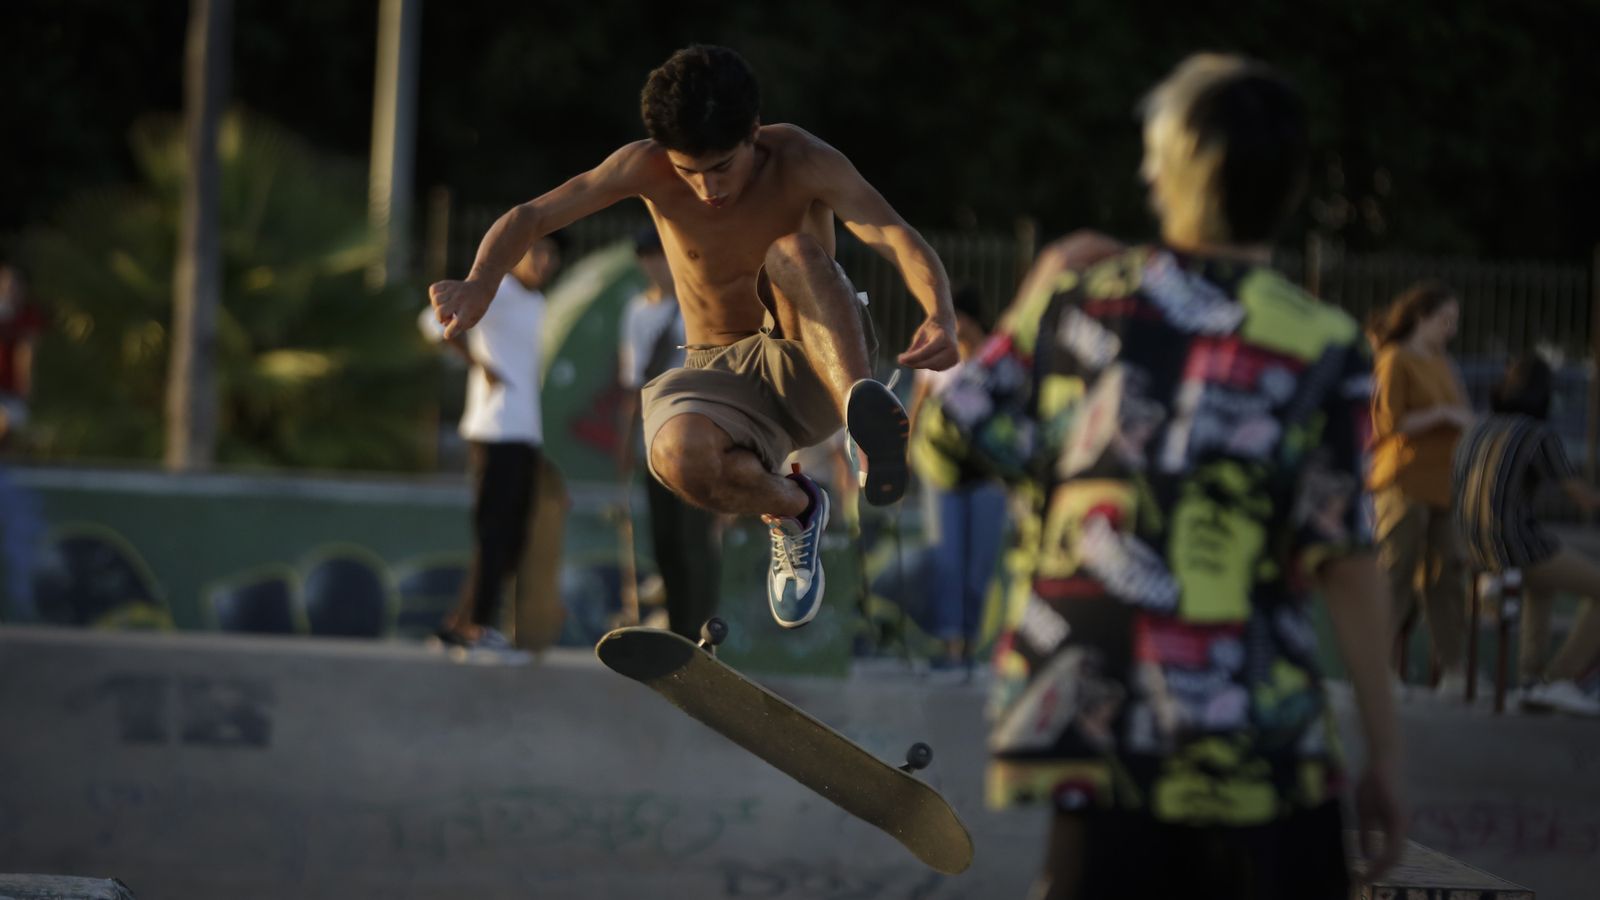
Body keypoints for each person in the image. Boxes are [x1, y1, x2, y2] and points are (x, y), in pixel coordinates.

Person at [925, 54, 1404, 898]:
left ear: (1167, 173)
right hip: (1257, 740)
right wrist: (1386, 760)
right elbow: (1349, 562)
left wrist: (1038, 289)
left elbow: (943, 444)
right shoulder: (1320, 341)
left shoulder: (1080, 303)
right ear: (1288, 187)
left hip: (1102, 738)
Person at [429, 45, 958, 629]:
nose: (706, 189)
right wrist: (480, 282)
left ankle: (864, 424)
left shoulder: (804, 159)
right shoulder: (643, 166)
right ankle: (797, 509)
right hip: (716, 371)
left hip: (809, 356)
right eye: (689, 172)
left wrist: (940, 311)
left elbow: (895, 235)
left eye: (722, 167)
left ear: (754, 132)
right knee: (679, 458)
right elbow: (532, 216)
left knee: (791, 253)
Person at [422, 232, 565, 652]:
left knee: (510, 536)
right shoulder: (496, 292)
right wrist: (479, 364)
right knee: (494, 533)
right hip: (494, 429)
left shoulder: (537, 303)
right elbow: (432, 322)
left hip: (526, 433)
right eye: (537, 252)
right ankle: (474, 626)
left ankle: (461, 623)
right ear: (518, 256)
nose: (544, 262)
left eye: (551, 255)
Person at [1454, 355, 1600, 715]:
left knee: (1545, 579)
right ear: (1546, 394)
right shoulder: (1538, 434)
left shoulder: (1479, 427)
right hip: (1512, 544)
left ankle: (1532, 680)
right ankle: (1559, 680)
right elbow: (1582, 499)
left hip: (1469, 543)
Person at [616, 227, 721, 639]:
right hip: (654, 442)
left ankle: (703, 630)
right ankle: (679, 631)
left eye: (661, 255)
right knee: (664, 543)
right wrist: (625, 444)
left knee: (695, 541)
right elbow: (631, 384)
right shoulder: (636, 312)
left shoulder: (698, 306)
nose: (654, 264)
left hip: (696, 444)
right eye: (647, 256)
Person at [1369, 280, 1473, 694]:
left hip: (1443, 483)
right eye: (1444, 320)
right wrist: (1441, 414)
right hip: (1404, 481)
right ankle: (1378, 670)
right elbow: (1388, 425)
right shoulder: (1395, 359)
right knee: (1396, 573)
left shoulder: (1443, 361)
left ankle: (1452, 669)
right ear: (1420, 317)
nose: (1450, 329)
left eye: (1454, 322)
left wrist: (1458, 417)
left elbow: (1463, 410)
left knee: (1446, 576)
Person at [909, 285, 1007, 675]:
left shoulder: (998, 356)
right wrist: (905, 456)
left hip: (988, 476)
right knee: (948, 558)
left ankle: (972, 643)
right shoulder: (937, 356)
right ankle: (951, 645)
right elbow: (916, 409)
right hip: (944, 475)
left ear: (966, 319)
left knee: (979, 561)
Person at [0, 263, 43, 446]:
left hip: (12, 391)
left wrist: (25, 385)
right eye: (7, 286)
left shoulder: (27, 316)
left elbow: (26, 353)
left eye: (15, 286)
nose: (11, 291)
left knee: (8, 423)